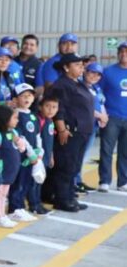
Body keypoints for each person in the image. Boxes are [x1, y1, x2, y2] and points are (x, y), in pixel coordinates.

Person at [44, 53, 95, 212]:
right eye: (77, 65)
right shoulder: (61, 85)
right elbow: (59, 109)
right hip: (70, 131)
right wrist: (62, 129)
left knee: (74, 167)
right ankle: (62, 199)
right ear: (66, 67)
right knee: (65, 167)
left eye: (82, 65)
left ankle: (70, 196)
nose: (82, 68)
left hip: (83, 131)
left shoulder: (78, 84)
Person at [7, 84, 41, 222]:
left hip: (32, 156)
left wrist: (39, 151)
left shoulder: (33, 116)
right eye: (23, 95)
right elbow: (19, 136)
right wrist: (30, 152)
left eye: (30, 95)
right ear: (15, 99)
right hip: (21, 155)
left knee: (27, 180)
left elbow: (37, 135)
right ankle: (14, 208)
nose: (27, 98)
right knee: (18, 181)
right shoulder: (16, 115)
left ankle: (20, 206)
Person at [0, 105, 26, 229]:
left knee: (4, 194)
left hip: (10, 171)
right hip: (1, 170)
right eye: (14, 118)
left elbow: (21, 148)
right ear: (5, 119)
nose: (17, 120)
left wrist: (20, 142)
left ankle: (3, 215)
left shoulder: (13, 133)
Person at [99, 42, 127, 192]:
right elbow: (99, 92)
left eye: (126, 52)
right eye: (121, 51)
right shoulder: (108, 72)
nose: (124, 54)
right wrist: (102, 113)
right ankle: (104, 180)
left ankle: (123, 181)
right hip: (112, 117)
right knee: (106, 150)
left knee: (125, 152)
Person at [76, 62, 106, 192]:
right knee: (77, 155)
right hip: (82, 126)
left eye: (98, 74)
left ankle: (78, 180)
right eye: (92, 72)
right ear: (85, 72)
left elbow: (101, 103)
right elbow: (82, 106)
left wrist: (104, 116)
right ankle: (74, 182)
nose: (95, 76)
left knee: (84, 155)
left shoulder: (96, 88)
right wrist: (99, 115)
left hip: (93, 126)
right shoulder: (79, 86)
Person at [32, 95, 58, 213]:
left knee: (41, 180)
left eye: (54, 107)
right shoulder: (38, 120)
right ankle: (34, 205)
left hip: (47, 157)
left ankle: (38, 203)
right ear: (40, 107)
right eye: (47, 106)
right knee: (34, 182)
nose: (51, 110)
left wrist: (51, 155)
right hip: (39, 158)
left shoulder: (50, 121)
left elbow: (50, 140)